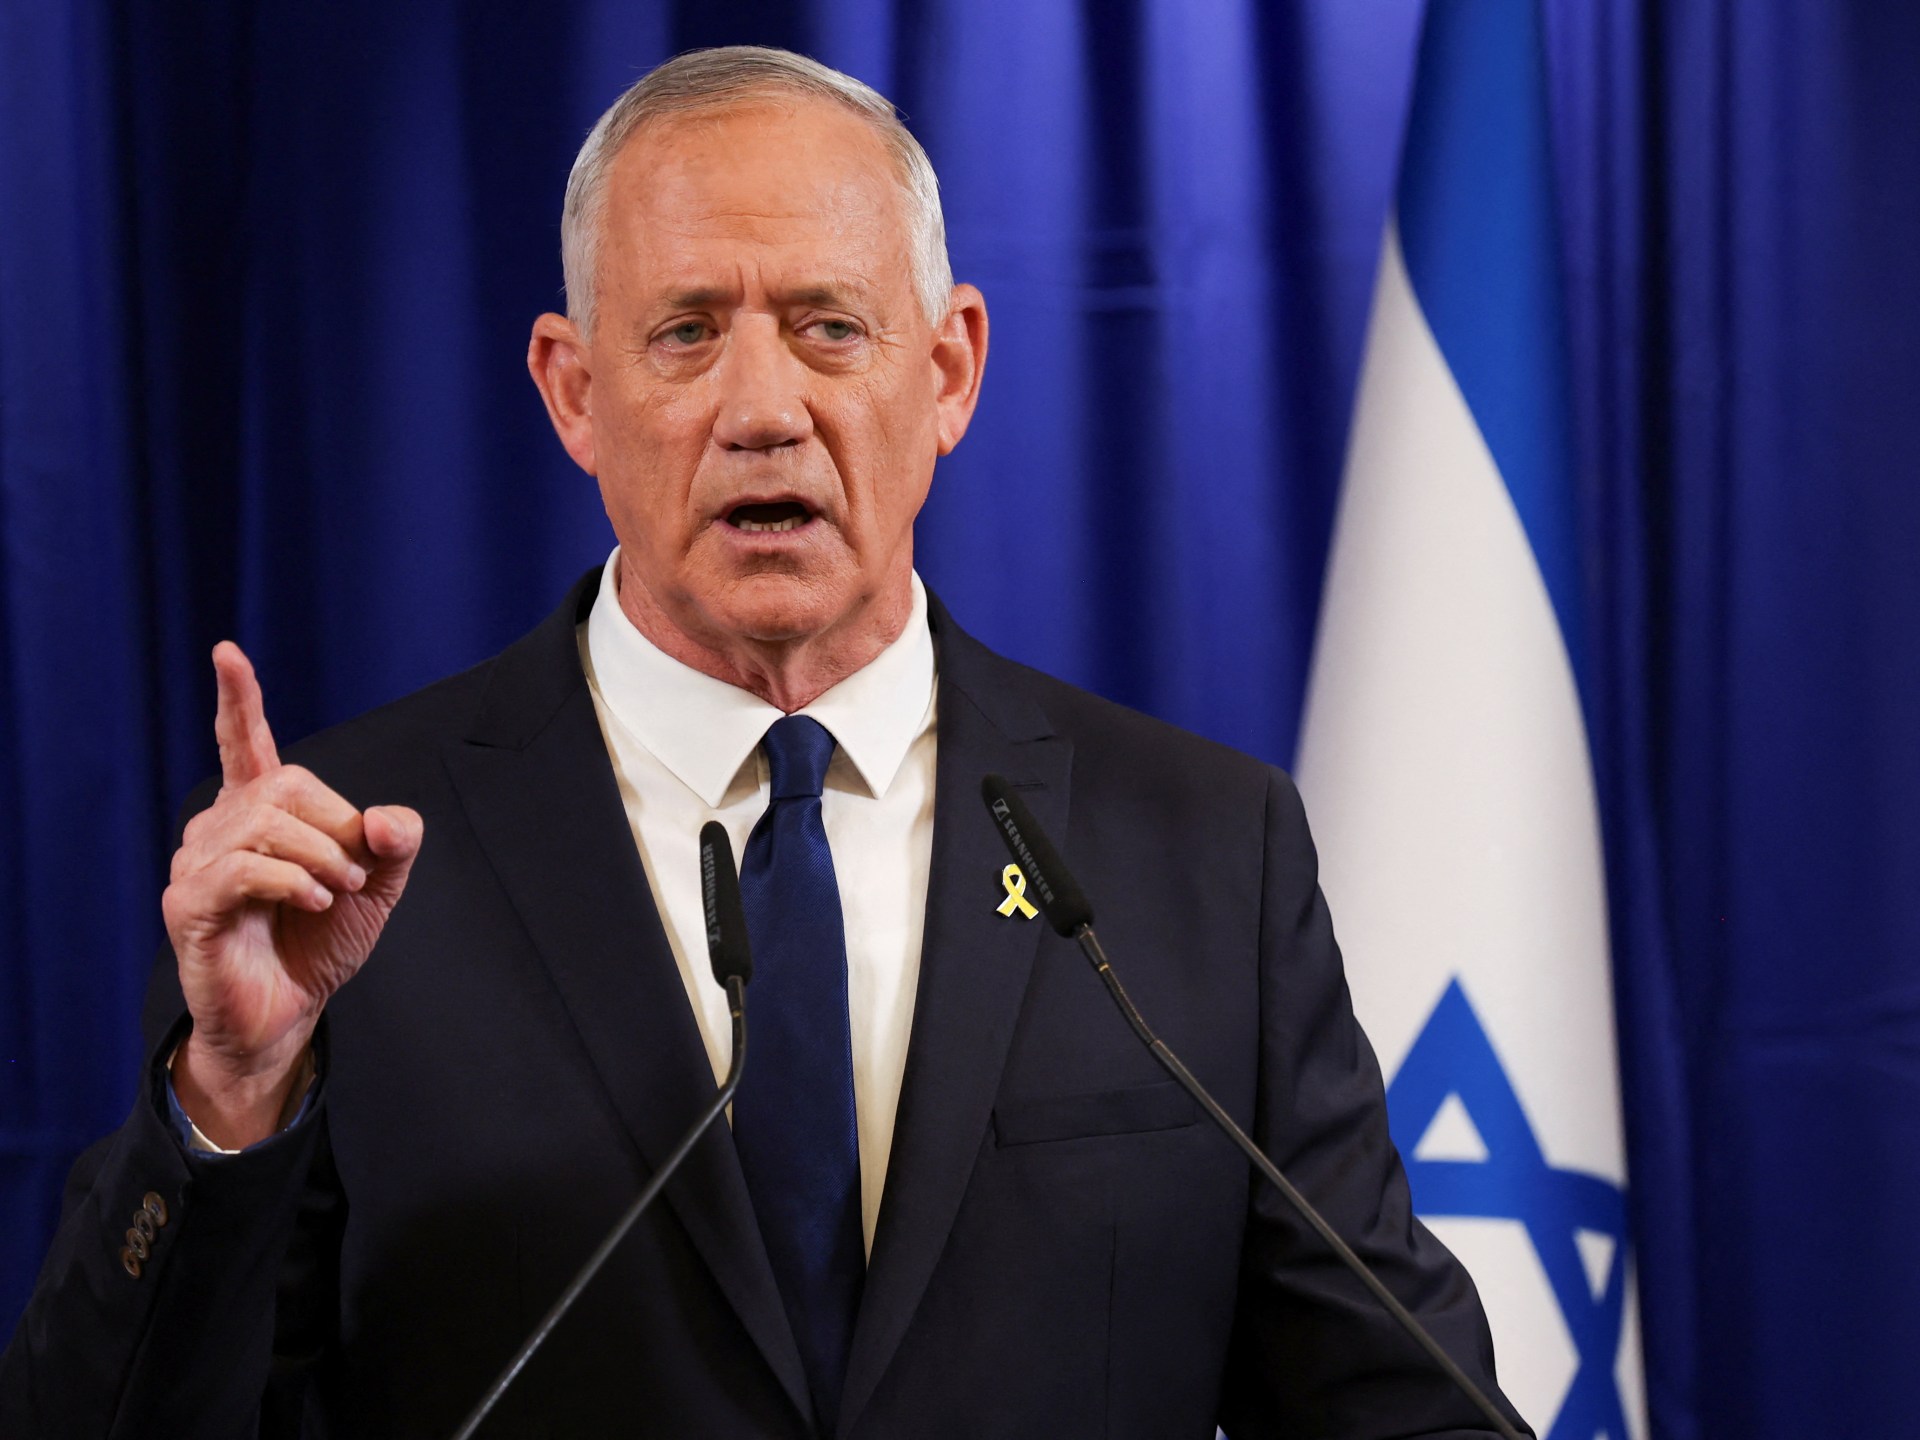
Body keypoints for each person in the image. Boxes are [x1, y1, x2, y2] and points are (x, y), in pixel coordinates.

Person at [1, 46, 1528, 1439]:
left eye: (827, 328)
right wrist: (231, 1098)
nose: (762, 409)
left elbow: (1406, 1410)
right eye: (685, 333)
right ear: (572, 393)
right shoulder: (341, 872)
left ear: (948, 371)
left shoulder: (1197, 851)